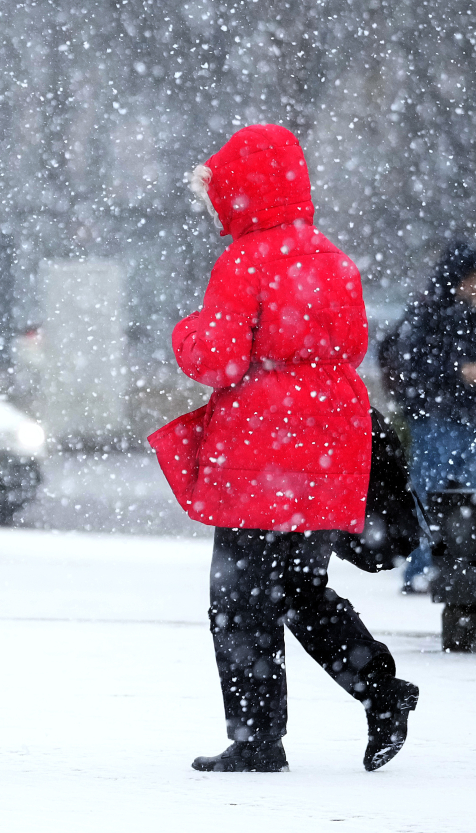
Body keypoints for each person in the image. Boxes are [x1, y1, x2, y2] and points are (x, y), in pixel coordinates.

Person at [149, 124, 419, 773]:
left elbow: (216, 358)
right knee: (302, 589)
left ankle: (257, 738)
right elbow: (351, 348)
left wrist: (185, 331)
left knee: (239, 599)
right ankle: (381, 689)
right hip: (331, 440)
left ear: (240, 190)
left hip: (261, 452)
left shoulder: (244, 260)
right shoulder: (332, 257)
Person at [383, 241, 476, 592]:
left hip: (449, 416)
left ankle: (449, 571)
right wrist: (458, 372)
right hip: (436, 419)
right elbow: (415, 365)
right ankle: (426, 569)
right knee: (435, 494)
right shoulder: (430, 314)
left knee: (446, 497)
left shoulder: (430, 313)